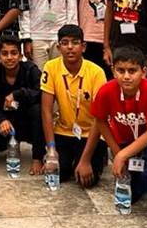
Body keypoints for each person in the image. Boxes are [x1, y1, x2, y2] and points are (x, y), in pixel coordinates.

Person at [76, 45, 147, 225]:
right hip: (125, 139)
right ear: (113, 71)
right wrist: (117, 152)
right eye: (121, 70)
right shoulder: (106, 91)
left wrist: (122, 155)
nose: (126, 76)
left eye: (132, 71)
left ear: (143, 72)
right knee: (132, 192)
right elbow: (100, 122)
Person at [40, 24, 108, 187]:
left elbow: (100, 118)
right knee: (58, 174)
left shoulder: (97, 72)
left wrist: (85, 161)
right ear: (58, 47)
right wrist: (51, 150)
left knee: (87, 180)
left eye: (75, 43)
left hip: (90, 133)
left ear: (83, 47)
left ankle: (96, 156)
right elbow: (46, 110)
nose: (70, 47)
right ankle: (66, 158)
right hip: (63, 131)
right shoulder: (50, 67)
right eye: (64, 43)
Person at [0, 33, 45, 174]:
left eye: (14, 53)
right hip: (8, 123)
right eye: (5, 54)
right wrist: (1, 120)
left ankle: (37, 157)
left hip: (29, 122)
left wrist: (17, 94)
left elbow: (41, 92)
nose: (9, 57)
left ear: (20, 56)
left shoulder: (31, 70)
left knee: (38, 109)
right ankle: (12, 145)